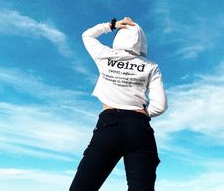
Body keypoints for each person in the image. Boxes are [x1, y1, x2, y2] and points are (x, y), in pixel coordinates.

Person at [69, 17, 168, 191]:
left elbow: (87, 36)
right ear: (142, 41)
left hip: (109, 125)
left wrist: (112, 25)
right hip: (140, 128)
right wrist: (143, 115)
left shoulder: (105, 56)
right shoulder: (151, 66)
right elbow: (160, 106)